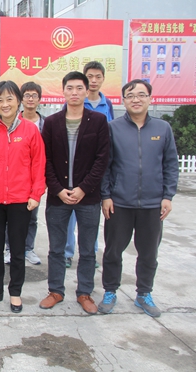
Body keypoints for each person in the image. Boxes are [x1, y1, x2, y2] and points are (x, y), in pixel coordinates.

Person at [98, 79, 179, 318]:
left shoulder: (163, 128)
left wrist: (167, 195)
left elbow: (170, 164)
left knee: (149, 253)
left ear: (150, 99)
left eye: (141, 95)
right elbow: (105, 166)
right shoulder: (113, 128)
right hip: (119, 203)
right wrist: (106, 195)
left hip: (153, 204)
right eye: (130, 95)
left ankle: (144, 293)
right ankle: (110, 291)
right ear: (123, 100)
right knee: (113, 251)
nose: (136, 99)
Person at [39, 71, 109, 315]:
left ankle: (84, 293)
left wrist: (83, 188)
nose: (75, 92)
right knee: (56, 248)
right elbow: (45, 159)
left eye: (80, 88)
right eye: (70, 88)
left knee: (87, 249)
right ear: (63, 91)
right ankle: (55, 291)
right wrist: (58, 189)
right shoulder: (52, 122)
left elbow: (102, 159)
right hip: (58, 197)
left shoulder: (98, 121)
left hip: (88, 197)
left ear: (87, 90)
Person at [0, 80, 45, 313]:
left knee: (17, 249)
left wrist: (35, 194)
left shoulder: (30, 130)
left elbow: (38, 164)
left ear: (19, 101)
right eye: (0, 99)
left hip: (21, 200)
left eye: (9, 99)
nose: (5, 104)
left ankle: (15, 292)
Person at [64, 61, 115, 269]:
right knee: (68, 216)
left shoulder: (107, 104)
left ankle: (90, 253)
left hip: (96, 169)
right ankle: (67, 253)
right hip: (71, 170)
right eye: (90, 76)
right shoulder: (73, 103)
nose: (94, 81)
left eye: (98, 77)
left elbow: (109, 139)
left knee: (90, 217)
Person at [4, 81, 46, 266]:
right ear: (21, 99)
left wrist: (42, 181)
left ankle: (28, 248)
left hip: (35, 179)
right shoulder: (13, 121)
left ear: (39, 99)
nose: (30, 99)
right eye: (27, 95)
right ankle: (9, 248)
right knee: (9, 218)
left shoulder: (45, 124)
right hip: (13, 179)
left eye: (34, 96)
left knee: (32, 216)